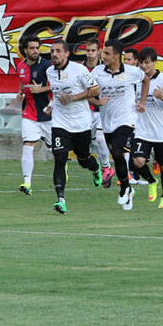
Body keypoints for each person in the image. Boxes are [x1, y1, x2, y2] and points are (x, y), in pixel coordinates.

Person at [46, 39, 104, 215]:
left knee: (83, 158)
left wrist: (73, 97)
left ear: (66, 53)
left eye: (57, 51)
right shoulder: (49, 71)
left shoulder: (79, 70)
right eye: (52, 51)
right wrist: (51, 105)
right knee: (60, 157)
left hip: (80, 123)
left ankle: (95, 168)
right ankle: (60, 200)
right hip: (60, 123)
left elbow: (95, 90)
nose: (54, 54)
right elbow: (56, 92)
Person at [91, 40, 149, 211]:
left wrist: (143, 102)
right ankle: (127, 188)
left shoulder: (132, 71)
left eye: (107, 53)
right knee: (116, 155)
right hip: (107, 122)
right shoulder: (97, 72)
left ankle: (124, 187)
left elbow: (146, 80)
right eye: (103, 53)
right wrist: (96, 101)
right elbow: (87, 92)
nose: (104, 56)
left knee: (118, 150)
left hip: (126, 120)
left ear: (117, 56)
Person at [132, 47, 163, 208]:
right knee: (137, 161)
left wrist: (162, 96)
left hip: (160, 132)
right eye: (141, 63)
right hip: (141, 130)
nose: (144, 66)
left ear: (154, 63)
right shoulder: (136, 80)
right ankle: (152, 181)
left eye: (147, 63)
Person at [17, 36, 52, 196]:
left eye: (37, 48)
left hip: (47, 113)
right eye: (32, 48)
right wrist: (20, 92)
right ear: (25, 50)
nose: (35, 51)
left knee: (56, 151)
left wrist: (41, 89)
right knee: (27, 146)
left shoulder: (47, 66)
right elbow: (23, 83)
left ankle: (65, 171)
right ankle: (27, 182)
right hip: (29, 113)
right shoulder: (21, 66)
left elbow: (56, 86)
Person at [82, 38, 114, 184]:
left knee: (101, 139)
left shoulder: (104, 68)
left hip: (102, 112)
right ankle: (95, 168)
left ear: (99, 52)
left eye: (93, 51)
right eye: (87, 50)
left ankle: (106, 168)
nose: (90, 54)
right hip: (84, 112)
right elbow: (81, 94)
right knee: (84, 147)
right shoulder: (80, 69)